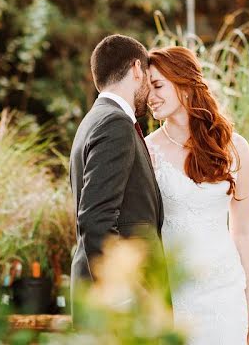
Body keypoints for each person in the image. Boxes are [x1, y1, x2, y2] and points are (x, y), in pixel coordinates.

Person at [145, 45, 249, 344]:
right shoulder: (146, 151)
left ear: (183, 83)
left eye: (157, 85)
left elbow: (244, 230)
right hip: (176, 294)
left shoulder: (235, 148)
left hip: (225, 293)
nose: (150, 96)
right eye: (146, 88)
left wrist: (248, 305)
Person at [68, 34, 164, 316]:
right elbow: (95, 218)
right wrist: (124, 294)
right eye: (149, 77)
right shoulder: (115, 123)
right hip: (117, 306)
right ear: (137, 69)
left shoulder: (94, 120)